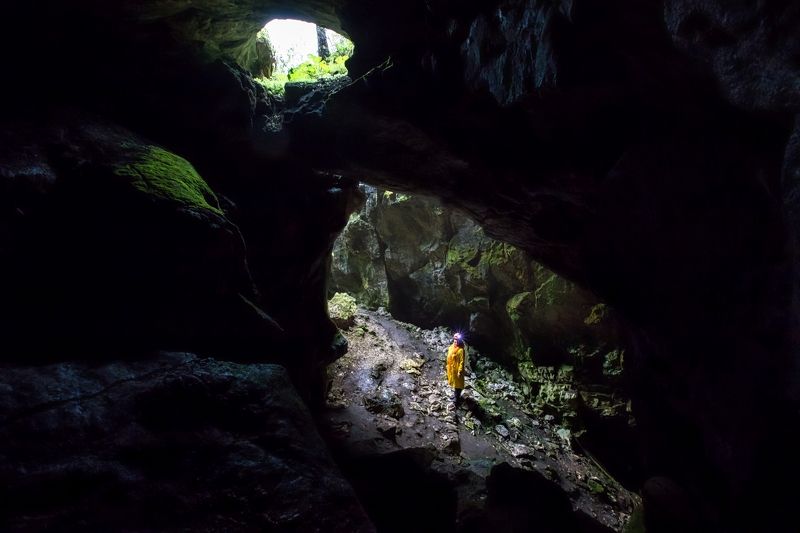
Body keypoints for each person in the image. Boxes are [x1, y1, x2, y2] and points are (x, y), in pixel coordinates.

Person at [446, 332, 467, 406]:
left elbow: (462, 361)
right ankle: (455, 396)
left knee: (458, 385)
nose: (455, 341)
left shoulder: (461, 350)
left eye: (456, 340)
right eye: (454, 339)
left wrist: (460, 371)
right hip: (452, 369)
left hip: (457, 370)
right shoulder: (452, 346)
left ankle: (457, 399)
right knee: (454, 384)